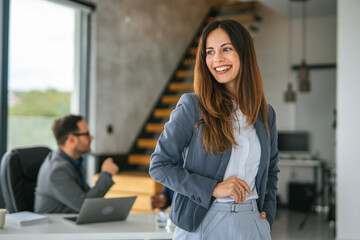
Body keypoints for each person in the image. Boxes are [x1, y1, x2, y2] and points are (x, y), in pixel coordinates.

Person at [149, 19, 279, 240]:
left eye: (226, 49)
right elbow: (159, 165)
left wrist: (268, 213)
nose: (217, 59)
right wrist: (212, 188)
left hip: (252, 221)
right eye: (210, 52)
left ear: (245, 53)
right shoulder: (192, 107)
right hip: (203, 221)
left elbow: (272, 170)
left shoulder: (265, 113)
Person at [34, 115, 119, 213]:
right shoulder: (57, 171)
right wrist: (106, 174)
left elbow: (87, 197)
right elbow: (85, 206)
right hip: (56, 226)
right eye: (86, 134)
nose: (91, 137)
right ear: (71, 140)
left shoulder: (73, 162)